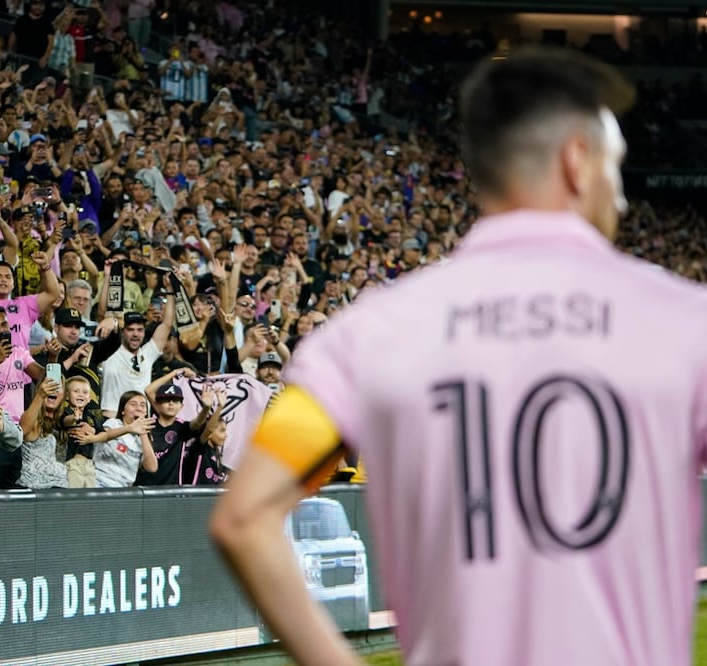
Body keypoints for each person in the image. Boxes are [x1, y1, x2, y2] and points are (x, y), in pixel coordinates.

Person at [209, 48, 699, 666]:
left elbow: (244, 516)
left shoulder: (368, 335)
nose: (621, 198)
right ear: (577, 161)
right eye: (617, 168)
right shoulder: (683, 321)